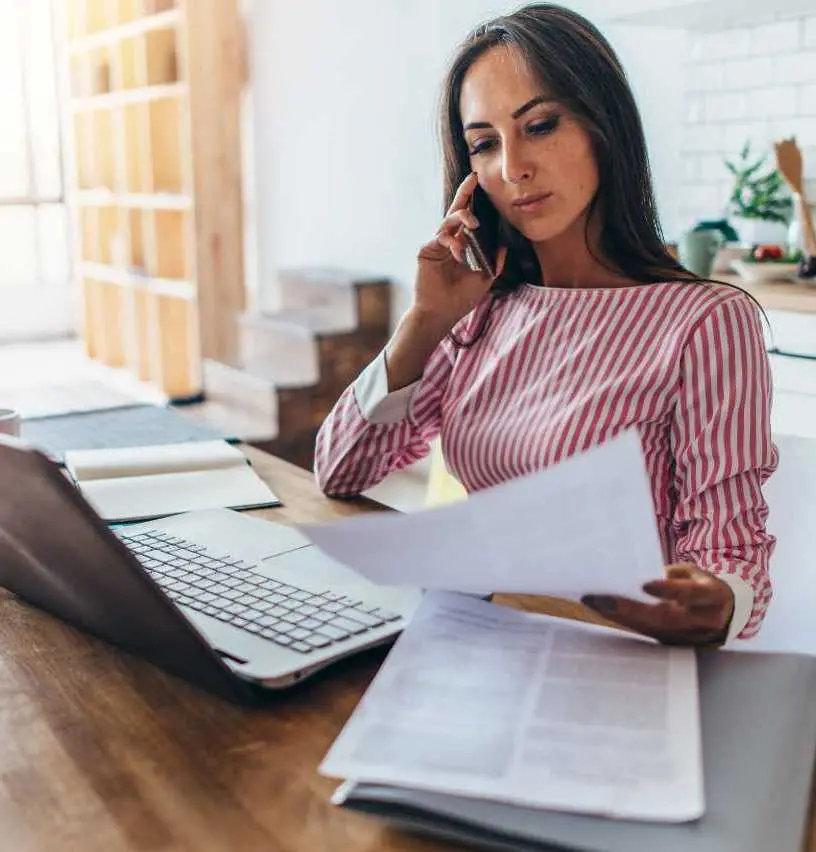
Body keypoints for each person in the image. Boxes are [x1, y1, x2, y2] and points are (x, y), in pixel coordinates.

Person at [313, 3, 777, 646]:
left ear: (601, 125)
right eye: (484, 143)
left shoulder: (705, 322)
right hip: (474, 645)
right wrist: (425, 321)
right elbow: (339, 471)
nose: (512, 167)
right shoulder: (482, 309)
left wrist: (716, 601)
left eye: (540, 125)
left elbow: (731, 553)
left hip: (611, 664)